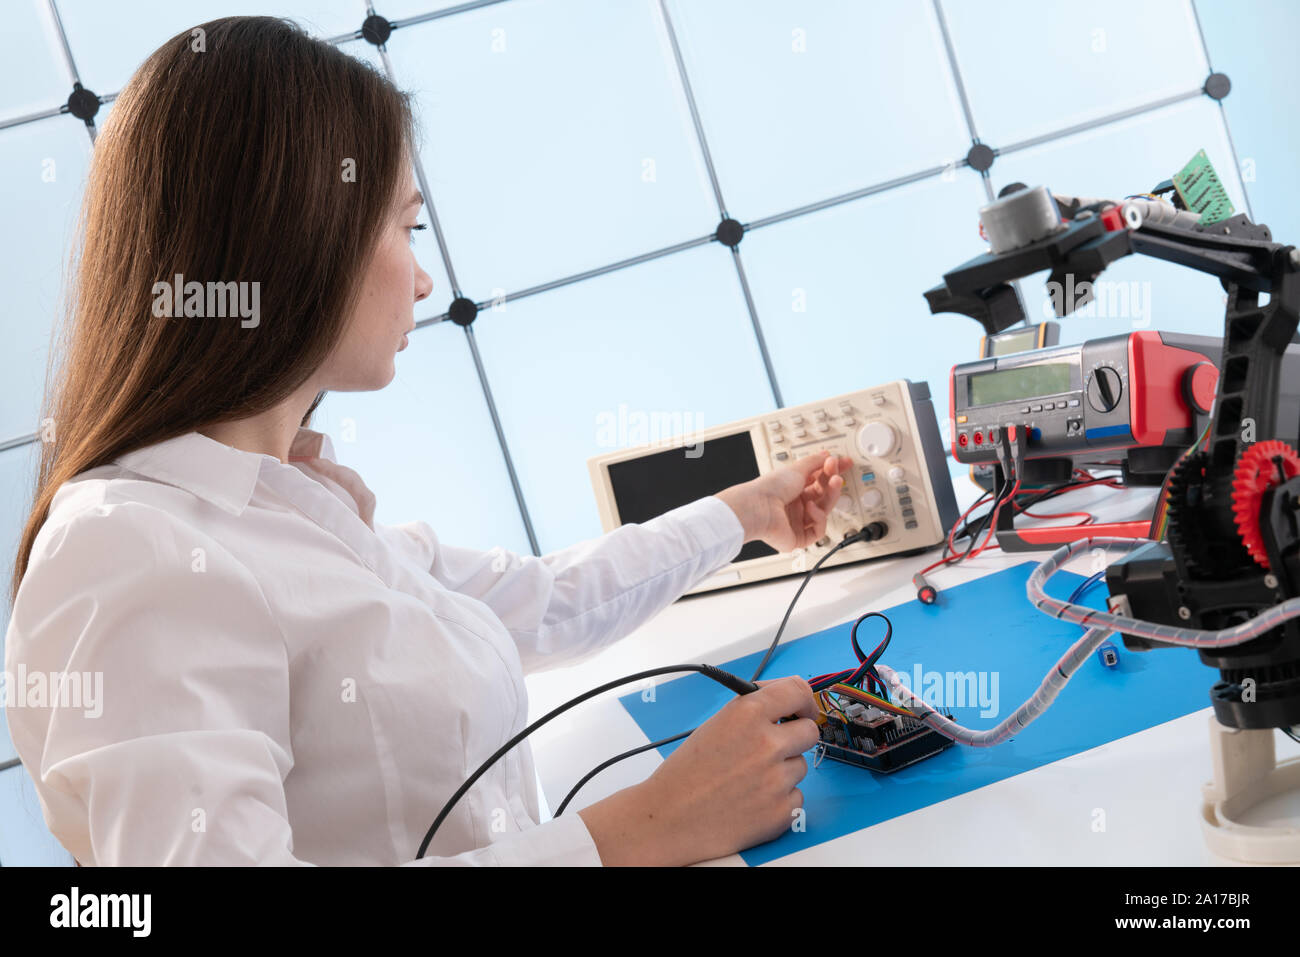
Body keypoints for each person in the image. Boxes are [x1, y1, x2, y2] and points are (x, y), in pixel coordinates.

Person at [3, 16, 851, 866]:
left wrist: (746, 512)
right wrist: (637, 830)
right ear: (298, 231)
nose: (423, 277)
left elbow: (545, 601)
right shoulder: (126, 547)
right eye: (405, 229)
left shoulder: (303, 509)